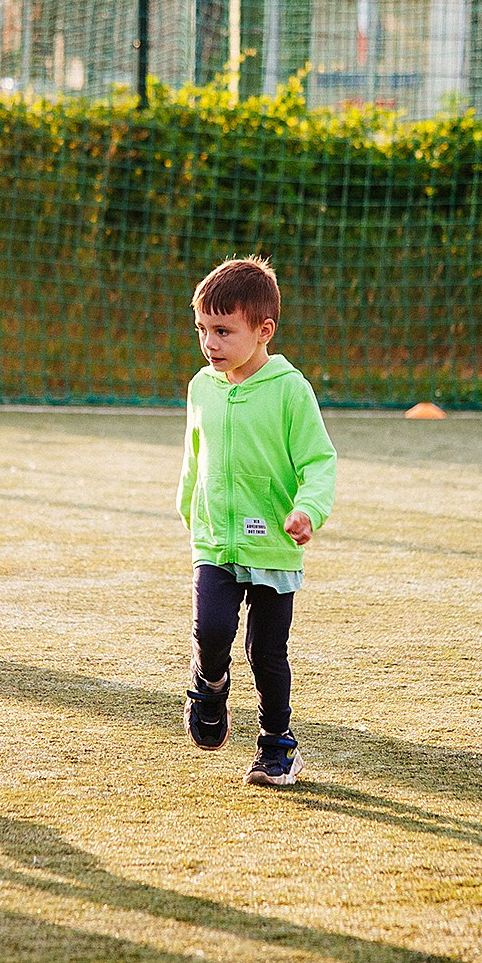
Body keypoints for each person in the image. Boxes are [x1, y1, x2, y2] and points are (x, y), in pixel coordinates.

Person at [177, 257, 336, 787]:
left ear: (263, 331)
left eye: (223, 331)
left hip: (273, 544)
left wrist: (307, 510)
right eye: (203, 329)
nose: (210, 342)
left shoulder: (290, 391)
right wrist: (190, 511)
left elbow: (319, 462)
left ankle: (276, 746)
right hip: (215, 541)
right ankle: (210, 685)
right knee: (213, 630)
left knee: (266, 652)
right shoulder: (202, 387)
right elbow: (194, 457)